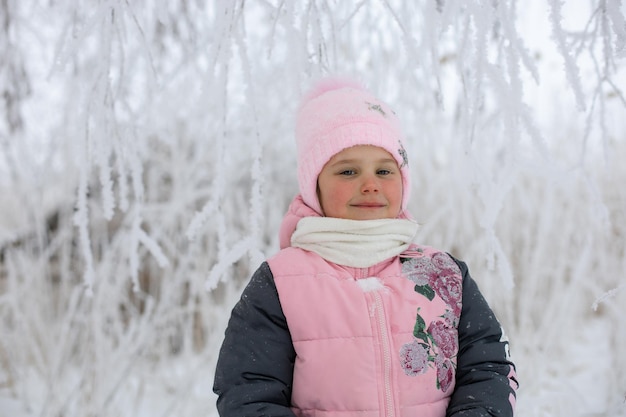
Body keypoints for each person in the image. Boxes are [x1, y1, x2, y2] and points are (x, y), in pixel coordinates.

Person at [213, 77, 518, 417]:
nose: (370, 185)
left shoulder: (443, 274)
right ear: (314, 187)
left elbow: (489, 368)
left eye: (385, 170)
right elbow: (247, 393)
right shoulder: (281, 282)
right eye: (348, 172)